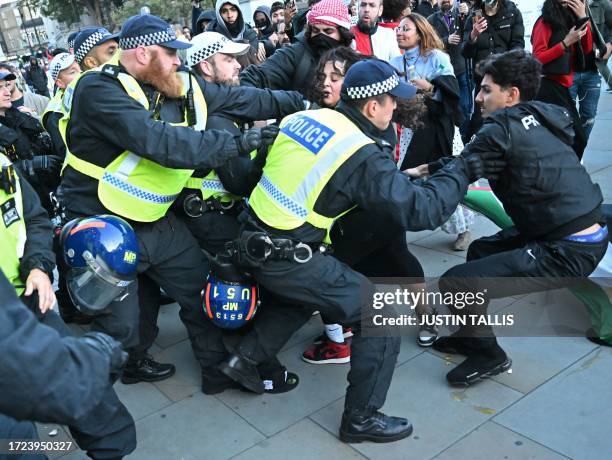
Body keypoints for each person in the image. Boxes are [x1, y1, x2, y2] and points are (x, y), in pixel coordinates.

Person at [221, 58, 503, 442]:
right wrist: (462, 169)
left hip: (251, 239)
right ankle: (361, 418)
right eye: (392, 101)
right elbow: (423, 211)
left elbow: (266, 176)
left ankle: (244, 361)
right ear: (373, 107)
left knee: (304, 294)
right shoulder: (361, 151)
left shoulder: (306, 118)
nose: (396, 108)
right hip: (287, 254)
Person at [58, 14, 275, 389]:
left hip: (154, 218)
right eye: (171, 53)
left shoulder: (165, 81)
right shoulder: (97, 89)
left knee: (199, 292)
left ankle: (215, 373)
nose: (179, 61)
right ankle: (100, 395)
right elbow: (159, 142)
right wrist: (235, 145)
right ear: (143, 53)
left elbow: (240, 98)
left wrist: (302, 100)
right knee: (120, 327)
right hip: (104, 226)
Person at [426, 50, 607, 386]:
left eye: (486, 90)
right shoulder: (543, 114)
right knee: (480, 254)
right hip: (569, 230)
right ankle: (471, 336)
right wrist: (426, 169)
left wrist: (419, 183)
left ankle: (490, 356)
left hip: (568, 248)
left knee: (457, 283)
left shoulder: (500, 129)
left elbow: (461, 169)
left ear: (511, 95)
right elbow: (473, 161)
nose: (478, 97)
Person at [0, 148, 136, 458]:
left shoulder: (2, 162)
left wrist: (38, 265)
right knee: (16, 444)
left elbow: (33, 219)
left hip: (28, 297)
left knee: (97, 406)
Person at [391, 14, 462, 169]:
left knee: (446, 174)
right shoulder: (394, 63)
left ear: (420, 33)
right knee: (410, 175)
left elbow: (452, 93)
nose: (399, 32)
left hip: (440, 127)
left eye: (406, 29)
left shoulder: (437, 58)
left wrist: (430, 88)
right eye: (398, 29)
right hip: (411, 130)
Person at [240, 0, 355, 95]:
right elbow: (260, 75)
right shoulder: (296, 54)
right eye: (316, 30)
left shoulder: (353, 60)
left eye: (328, 31)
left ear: (342, 33)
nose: (321, 36)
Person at [461, 0, 524, 140]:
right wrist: (473, 35)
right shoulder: (473, 16)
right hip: (483, 82)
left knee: (507, 124)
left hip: (504, 81)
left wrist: (506, 66)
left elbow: (518, 45)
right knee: (480, 126)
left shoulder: (512, 13)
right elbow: (465, 53)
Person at [0, 71, 60, 213]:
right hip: (22, 208)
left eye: (6, 86)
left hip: (47, 194)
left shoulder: (17, 116)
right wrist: (28, 166)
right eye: (0, 88)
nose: (7, 92)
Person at [428, 0, 472, 135]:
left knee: (465, 108)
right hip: (443, 74)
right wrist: (446, 40)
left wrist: (468, 12)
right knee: (447, 110)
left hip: (462, 69)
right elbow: (428, 43)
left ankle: (467, 139)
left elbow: (472, 33)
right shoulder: (431, 19)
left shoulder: (462, 14)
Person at [207, 0, 262, 64]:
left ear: (239, 11)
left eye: (233, 9)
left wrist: (262, 43)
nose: (230, 15)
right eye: (224, 11)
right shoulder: (212, 39)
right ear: (218, 14)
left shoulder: (250, 34)